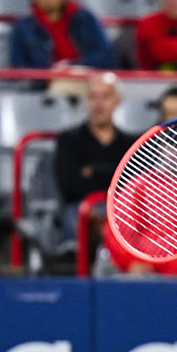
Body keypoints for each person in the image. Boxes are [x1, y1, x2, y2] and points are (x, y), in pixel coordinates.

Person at [54, 72, 136, 238]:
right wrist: (113, 174)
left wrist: (93, 171)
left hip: (121, 209)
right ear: (86, 101)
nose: (99, 104)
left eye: (105, 96)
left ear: (117, 100)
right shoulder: (69, 140)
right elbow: (69, 187)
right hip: (81, 209)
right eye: (93, 97)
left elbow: (134, 186)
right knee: (82, 216)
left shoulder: (130, 143)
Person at [10, 0, 116, 70]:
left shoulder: (84, 18)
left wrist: (72, 67)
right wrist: (48, 75)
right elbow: (19, 65)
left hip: (85, 78)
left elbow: (103, 55)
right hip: (44, 82)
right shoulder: (23, 27)